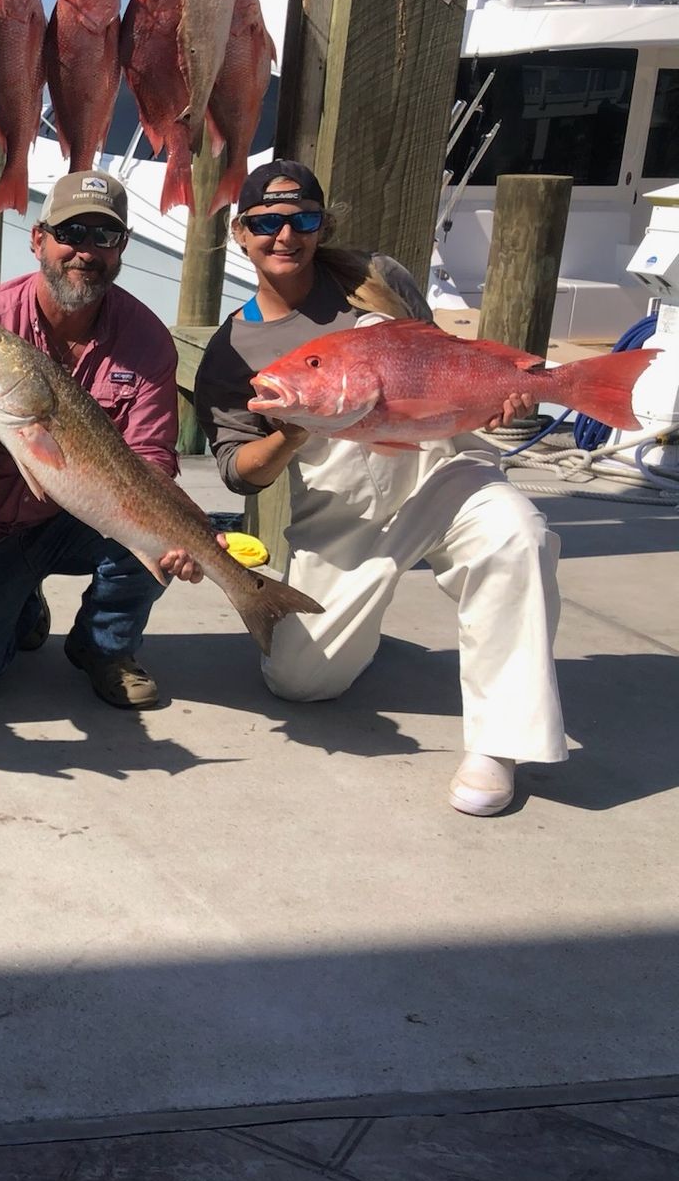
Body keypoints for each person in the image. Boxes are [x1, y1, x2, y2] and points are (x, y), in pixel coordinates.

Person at [192, 159, 561, 816]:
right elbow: (234, 469)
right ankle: (361, 623)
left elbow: (441, 362)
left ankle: (499, 744)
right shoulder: (233, 352)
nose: (285, 234)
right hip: (348, 513)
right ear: (240, 235)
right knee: (301, 683)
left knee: (518, 536)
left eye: (302, 219)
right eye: (266, 222)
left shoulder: (374, 284)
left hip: (441, 468)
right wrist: (290, 434)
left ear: (321, 226)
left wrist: (499, 396)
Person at [0, 171, 208, 708]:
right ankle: (17, 601)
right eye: (71, 233)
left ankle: (104, 646)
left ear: (122, 248)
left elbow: (150, 461)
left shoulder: (147, 340)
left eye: (104, 236)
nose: (85, 251)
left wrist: (182, 536)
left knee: (157, 525)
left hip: (80, 516)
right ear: (38, 239)